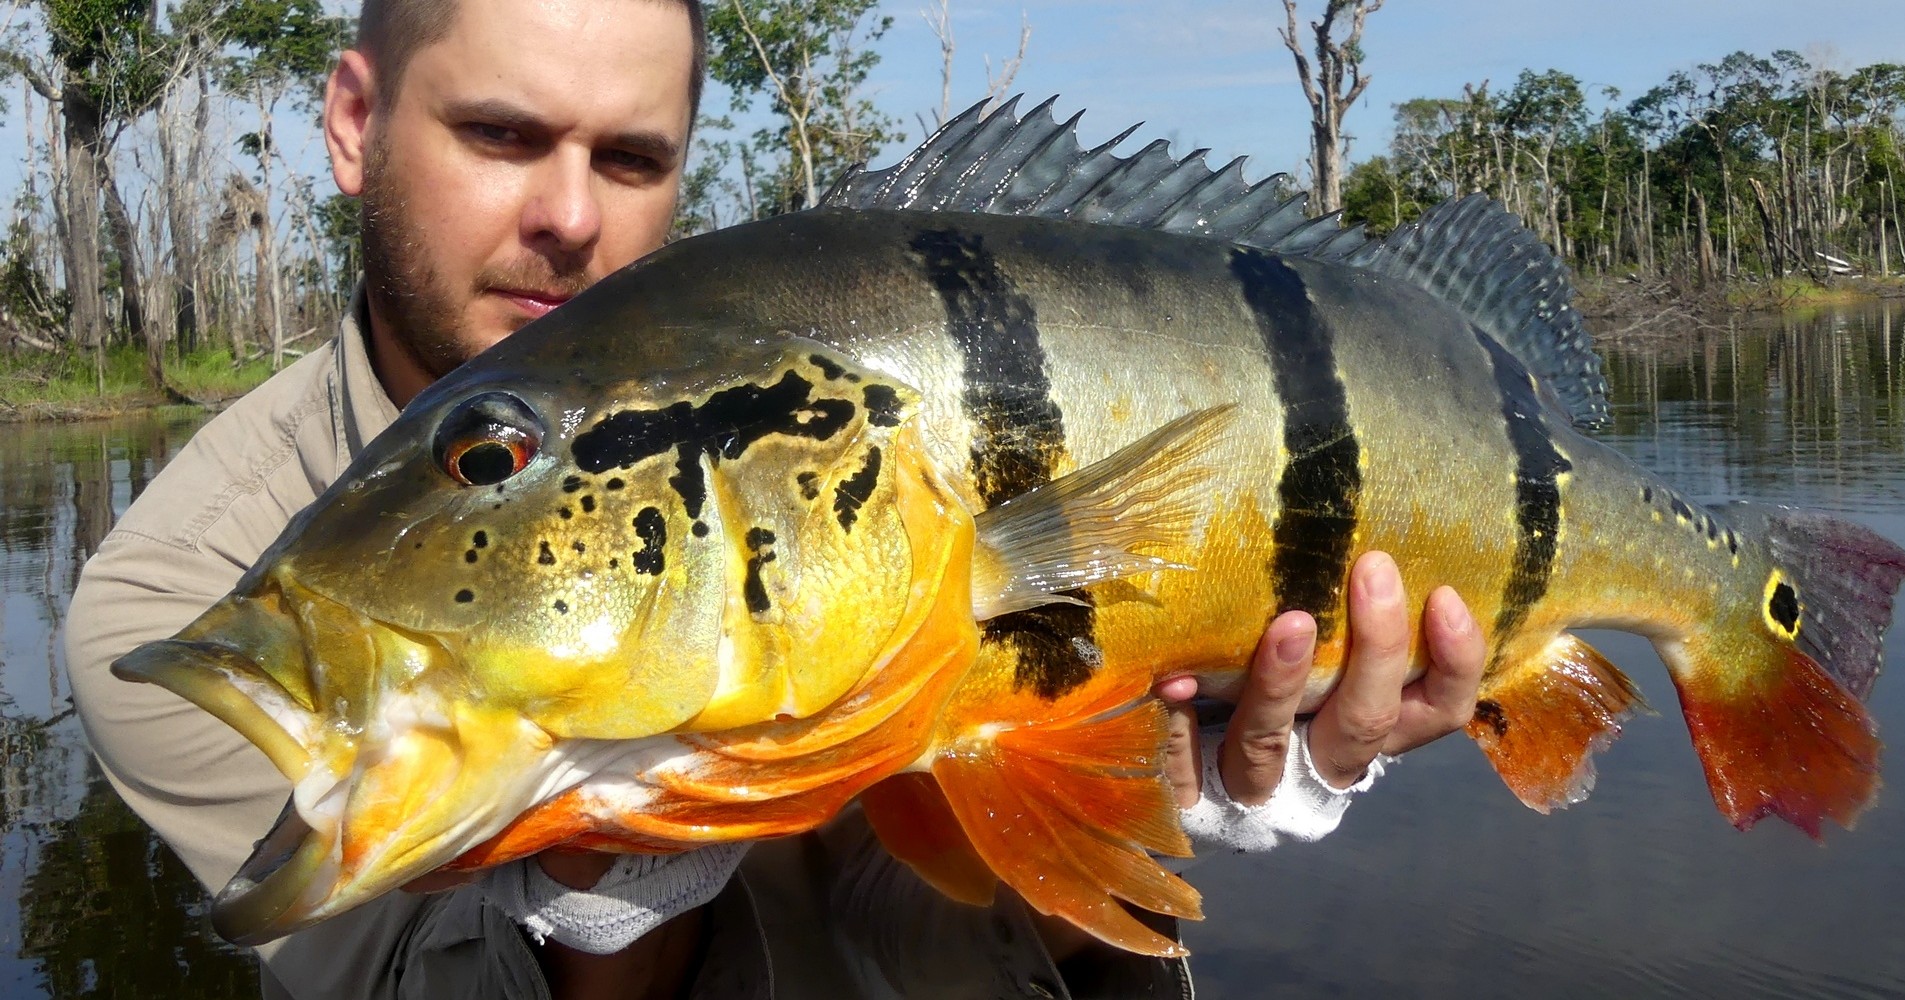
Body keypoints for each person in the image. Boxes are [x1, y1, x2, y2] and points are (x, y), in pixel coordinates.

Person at [60, 0, 1486, 997]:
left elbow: (982, 886)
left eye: (633, 159)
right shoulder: (187, 592)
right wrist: (620, 868)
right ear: (355, 123)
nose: (572, 216)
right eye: (500, 134)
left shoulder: (763, 398)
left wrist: (1182, 765)